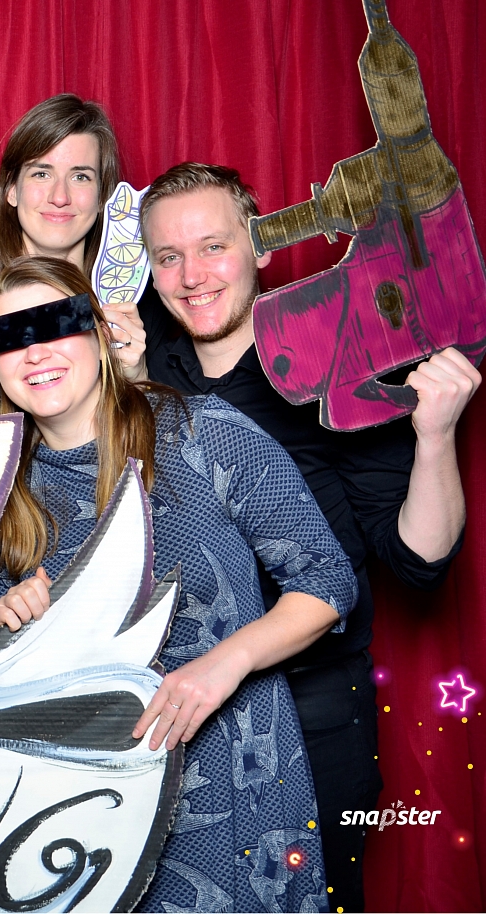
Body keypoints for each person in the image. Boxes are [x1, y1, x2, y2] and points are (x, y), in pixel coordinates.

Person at [137, 162, 482, 911]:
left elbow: (420, 562)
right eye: (169, 257)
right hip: (173, 719)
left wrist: (435, 437)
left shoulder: (335, 370)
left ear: (259, 248)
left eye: (213, 247)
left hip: (314, 709)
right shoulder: (147, 371)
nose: (192, 276)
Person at [0, 256, 356, 912]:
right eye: (9, 337)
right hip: (94, 802)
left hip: (234, 773)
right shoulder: (2, 486)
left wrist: (226, 662)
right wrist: (12, 627)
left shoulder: (203, 431)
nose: (34, 352)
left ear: (98, 331)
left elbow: (327, 582)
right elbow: (2, 696)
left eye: (54, 325)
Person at [0, 93, 146, 374]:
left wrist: (137, 376)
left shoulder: (141, 304)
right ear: (12, 190)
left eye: (80, 177)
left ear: (103, 197)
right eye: (41, 174)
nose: (60, 197)